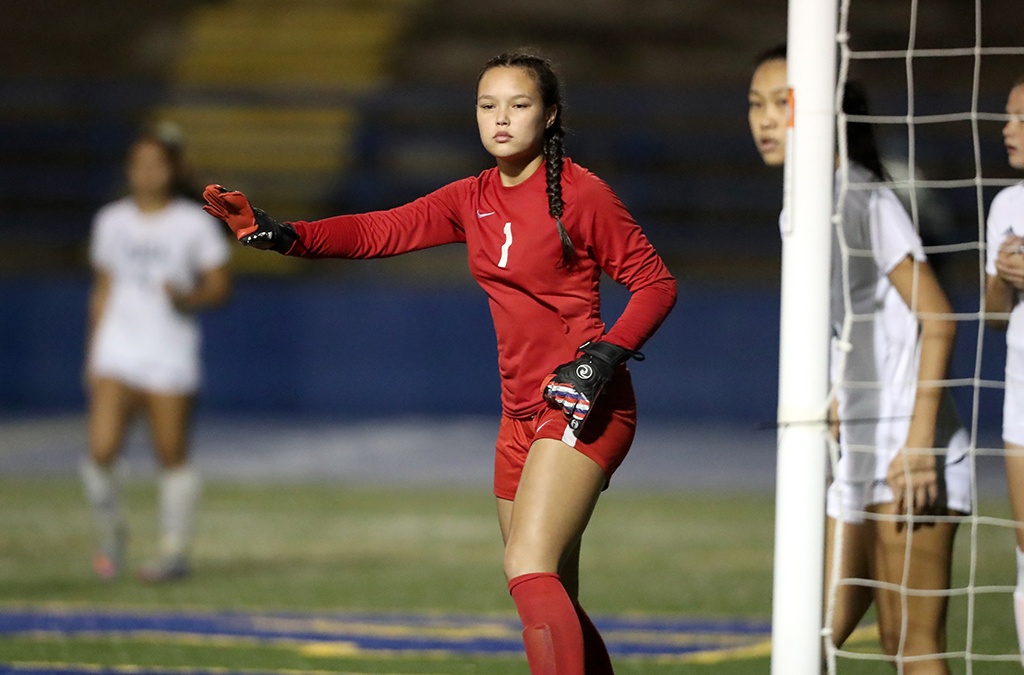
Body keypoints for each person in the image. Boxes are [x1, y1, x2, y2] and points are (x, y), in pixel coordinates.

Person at [202, 51, 676, 674]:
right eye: (487, 105)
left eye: (519, 104)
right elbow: (379, 230)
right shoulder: (470, 197)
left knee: (527, 567)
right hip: (518, 415)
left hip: (581, 400)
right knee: (552, 590)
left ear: (551, 115)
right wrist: (289, 235)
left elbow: (656, 283)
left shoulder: (583, 194)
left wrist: (604, 358)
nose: (501, 117)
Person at [749, 45, 971, 673]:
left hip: (910, 452)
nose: (765, 120)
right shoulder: (806, 203)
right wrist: (845, 391)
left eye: (782, 105)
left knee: (911, 643)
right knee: (815, 630)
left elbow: (938, 316)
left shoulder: (862, 197)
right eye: (755, 105)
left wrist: (920, 440)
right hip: (859, 450)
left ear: (823, 111)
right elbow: (862, 321)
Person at [83, 124, 232, 583]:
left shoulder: (193, 223)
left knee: (171, 455)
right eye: (138, 164)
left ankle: (174, 551)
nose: (146, 173)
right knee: (101, 451)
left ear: (172, 170)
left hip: (169, 352)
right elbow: (103, 289)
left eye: (156, 164)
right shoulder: (111, 221)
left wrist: (185, 297)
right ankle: (112, 535)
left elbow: (219, 288)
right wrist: (92, 353)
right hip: (118, 350)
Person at [983, 74, 1024, 665]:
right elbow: (994, 316)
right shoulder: (1006, 205)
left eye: (1020, 117)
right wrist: (1001, 273)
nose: (1007, 129)